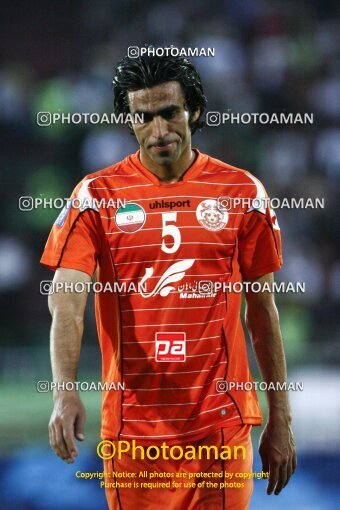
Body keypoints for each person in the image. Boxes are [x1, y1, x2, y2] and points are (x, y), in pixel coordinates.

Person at [41, 49, 296, 510]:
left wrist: (282, 417)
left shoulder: (241, 192)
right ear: (129, 120)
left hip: (221, 426)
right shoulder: (96, 196)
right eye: (144, 117)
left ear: (193, 111)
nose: (158, 131)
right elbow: (66, 302)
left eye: (169, 113)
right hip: (134, 433)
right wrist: (64, 391)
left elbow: (262, 311)